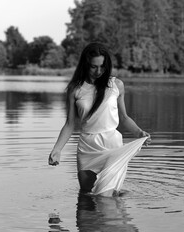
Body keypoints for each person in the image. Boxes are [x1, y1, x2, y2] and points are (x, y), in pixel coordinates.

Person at [48, 42, 151, 197]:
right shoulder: (75, 89)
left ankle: (111, 217)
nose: (98, 71)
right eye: (93, 67)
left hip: (112, 146)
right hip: (87, 147)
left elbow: (124, 117)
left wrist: (139, 132)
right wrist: (57, 149)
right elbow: (70, 124)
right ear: (85, 65)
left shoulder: (116, 85)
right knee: (86, 195)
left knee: (105, 196)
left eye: (102, 66)